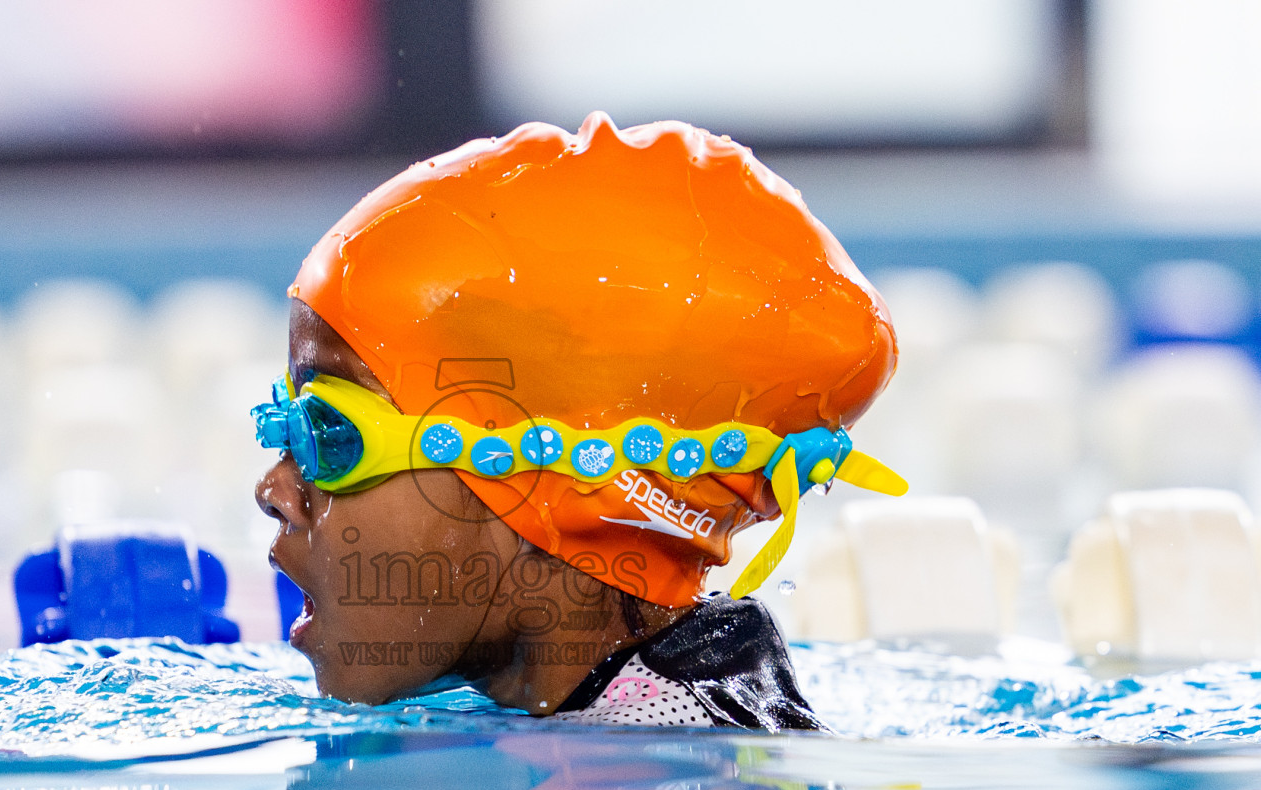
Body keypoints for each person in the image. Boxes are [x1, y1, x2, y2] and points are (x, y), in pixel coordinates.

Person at [254, 113, 903, 730]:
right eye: (283, 427)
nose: (273, 490)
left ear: (557, 487)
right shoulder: (639, 728)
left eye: (328, 435)